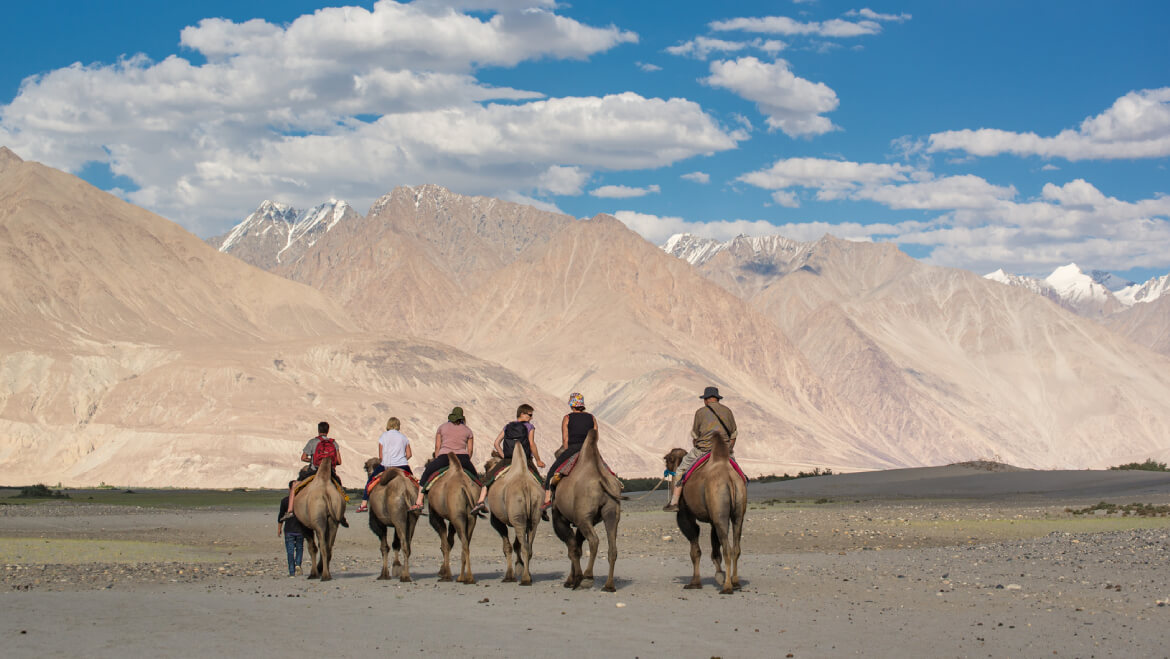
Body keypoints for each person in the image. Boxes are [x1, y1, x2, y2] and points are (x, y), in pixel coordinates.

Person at [664, 386, 737, 512]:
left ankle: (674, 502)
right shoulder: (728, 411)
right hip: (725, 452)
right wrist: (728, 449)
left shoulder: (700, 412)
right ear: (717, 399)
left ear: (706, 400)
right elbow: (734, 435)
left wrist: (698, 444)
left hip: (703, 450)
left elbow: (695, 436)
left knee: (680, 470)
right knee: (738, 473)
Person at [412, 406, 481, 512]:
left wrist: (436, 459)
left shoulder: (442, 427)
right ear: (462, 418)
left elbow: (437, 447)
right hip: (462, 459)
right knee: (476, 479)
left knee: (426, 474)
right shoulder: (468, 431)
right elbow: (470, 450)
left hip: (445, 457)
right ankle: (479, 502)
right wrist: (466, 460)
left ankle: (419, 501)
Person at [480, 404, 547, 511]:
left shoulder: (507, 426)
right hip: (525, 460)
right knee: (539, 482)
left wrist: (504, 455)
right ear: (522, 414)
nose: (531, 418)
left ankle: (480, 501)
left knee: (488, 479)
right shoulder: (529, 427)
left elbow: (496, 443)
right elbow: (531, 444)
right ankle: (543, 506)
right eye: (530, 415)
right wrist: (538, 460)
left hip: (508, 460)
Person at [541, 393, 598, 512]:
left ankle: (547, 500)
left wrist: (567, 452)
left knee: (552, 472)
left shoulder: (567, 417)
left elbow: (565, 439)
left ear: (572, 405)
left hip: (574, 448)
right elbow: (595, 436)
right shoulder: (592, 417)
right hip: (590, 449)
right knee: (605, 469)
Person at [282, 421, 346, 525]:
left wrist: (311, 460)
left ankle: (290, 511)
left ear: (318, 430)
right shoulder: (334, 443)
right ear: (328, 430)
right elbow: (339, 461)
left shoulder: (312, 442)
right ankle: (341, 514)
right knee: (340, 488)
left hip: (314, 472)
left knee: (295, 486)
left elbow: (303, 457)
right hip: (330, 472)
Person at [357, 417, 413, 513]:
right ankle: (418, 502)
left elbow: (381, 457)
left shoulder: (383, 437)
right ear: (398, 425)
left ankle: (364, 504)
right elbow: (409, 454)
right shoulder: (404, 437)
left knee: (370, 482)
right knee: (413, 482)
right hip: (403, 465)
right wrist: (401, 460)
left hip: (386, 465)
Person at [277, 480, 306, 577]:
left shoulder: (285, 501)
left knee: (290, 552)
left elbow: (281, 516)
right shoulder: (303, 500)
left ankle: (292, 572)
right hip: (300, 530)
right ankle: (298, 564)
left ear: (290, 489)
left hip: (289, 530)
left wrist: (279, 529)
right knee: (299, 549)